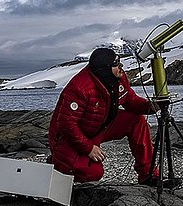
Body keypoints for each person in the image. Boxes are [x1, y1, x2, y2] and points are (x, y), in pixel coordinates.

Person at [48, 47, 167, 186]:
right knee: (92, 174)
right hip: (69, 137)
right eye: (116, 64)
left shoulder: (119, 78)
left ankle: (148, 174)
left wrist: (153, 106)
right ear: (105, 69)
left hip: (101, 125)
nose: (120, 66)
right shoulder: (79, 88)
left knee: (136, 121)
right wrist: (88, 148)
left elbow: (131, 101)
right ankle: (55, 162)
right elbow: (66, 124)